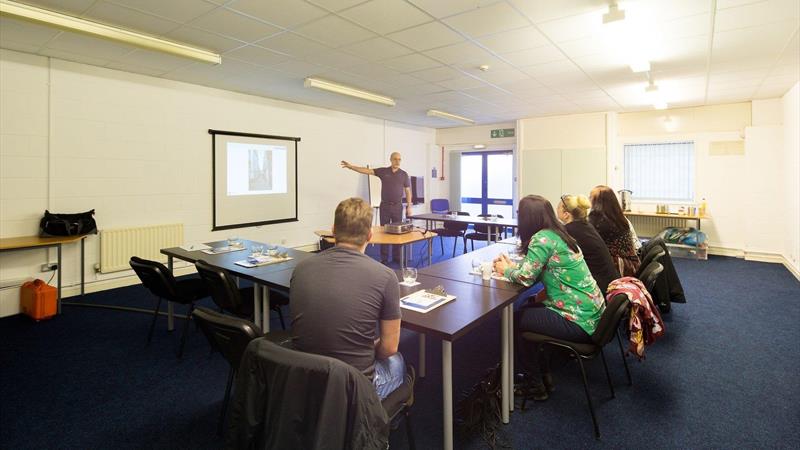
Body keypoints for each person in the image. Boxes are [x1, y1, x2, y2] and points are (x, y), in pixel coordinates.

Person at [290, 197, 405, 400]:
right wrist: (369, 348)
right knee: (397, 361)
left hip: (304, 379)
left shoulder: (300, 269)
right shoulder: (385, 276)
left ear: (333, 230)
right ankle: (379, 421)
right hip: (353, 391)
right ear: (370, 235)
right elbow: (389, 348)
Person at [494, 195, 605, 401]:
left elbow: (526, 278)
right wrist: (512, 267)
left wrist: (505, 270)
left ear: (527, 219)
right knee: (528, 308)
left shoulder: (541, 239)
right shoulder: (559, 234)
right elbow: (533, 268)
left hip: (577, 320)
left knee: (513, 320)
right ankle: (542, 375)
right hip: (592, 313)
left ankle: (534, 384)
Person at [341, 153, 412, 264]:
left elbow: (408, 191)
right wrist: (351, 167)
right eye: (395, 159)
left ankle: (397, 257)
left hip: (398, 206)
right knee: (384, 231)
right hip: (385, 206)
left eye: (399, 159)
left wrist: (409, 206)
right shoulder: (384, 171)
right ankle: (384, 258)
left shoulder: (404, 174)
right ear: (390, 160)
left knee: (397, 232)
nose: (397, 161)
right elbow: (366, 171)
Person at [557, 194, 620, 295]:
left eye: (558, 208)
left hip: (599, 289)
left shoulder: (570, 231)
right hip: (610, 283)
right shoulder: (586, 226)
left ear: (566, 214)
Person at [588, 185, 641, 277]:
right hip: (631, 263)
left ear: (599, 202)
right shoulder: (616, 216)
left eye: (591, 197)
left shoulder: (601, 222)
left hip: (621, 269)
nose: (588, 200)